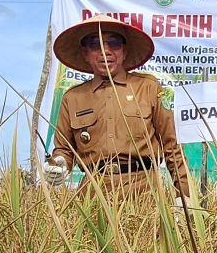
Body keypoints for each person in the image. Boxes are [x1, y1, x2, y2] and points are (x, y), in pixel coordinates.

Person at [43, 14, 191, 200]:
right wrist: (59, 164)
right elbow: (64, 149)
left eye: (114, 43)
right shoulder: (73, 98)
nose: (105, 51)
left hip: (145, 192)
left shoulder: (148, 88)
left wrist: (184, 196)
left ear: (125, 51)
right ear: (85, 54)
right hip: (93, 194)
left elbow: (172, 146)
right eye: (95, 44)